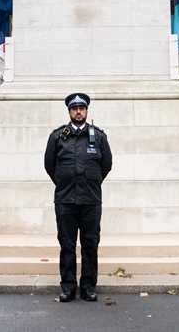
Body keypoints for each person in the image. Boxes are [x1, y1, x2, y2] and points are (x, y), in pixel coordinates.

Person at [43, 92, 112, 303]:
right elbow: (49, 165)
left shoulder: (98, 136)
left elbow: (106, 165)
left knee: (90, 244)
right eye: (74, 108)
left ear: (86, 110)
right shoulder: (57, 137)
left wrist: (92, 182)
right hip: (66, 201)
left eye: (81, 108)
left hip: (91, 200)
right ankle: (68, 287)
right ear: (69, 111)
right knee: (67, 244)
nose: (78, 111)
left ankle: (89, 287)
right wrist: (64, 183)